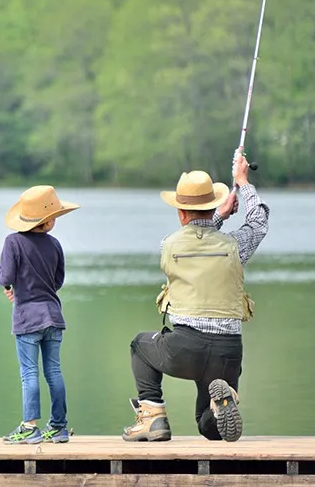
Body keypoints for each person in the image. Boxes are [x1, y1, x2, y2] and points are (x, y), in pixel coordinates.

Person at [123, 152, 269, 443]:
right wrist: (243, 182)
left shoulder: (168, 245)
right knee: (208, 427)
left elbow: (196, 235)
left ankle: (153, 419)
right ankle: (218, 406)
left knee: (140, 345)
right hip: (228, 352)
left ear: (180, 213)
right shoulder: (235, 246)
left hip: (185, 349)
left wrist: (217, 217)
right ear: (213, 203)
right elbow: (258, 223)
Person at [0, 185, 79, 444]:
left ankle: (29, 428)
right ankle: (59, 427)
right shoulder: (55, 244)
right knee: (54, 372)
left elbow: (6, 277)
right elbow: (56, 282)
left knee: (29, 373)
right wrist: (23, 289)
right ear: (47, 221)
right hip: (54, 317)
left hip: (28, 320)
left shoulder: (12, 242)